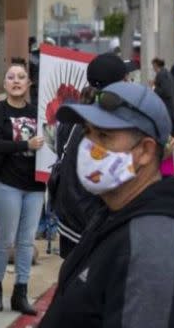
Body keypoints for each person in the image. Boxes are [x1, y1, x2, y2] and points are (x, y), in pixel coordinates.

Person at [41, 82, 174, 327]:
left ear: (145, 151)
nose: (88, 146)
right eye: (87, 132)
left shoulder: (152, 242)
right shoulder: (112, 213)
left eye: (104, 135)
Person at [48, 53, 127, 258]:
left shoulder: (73, 116)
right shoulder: (109, 124)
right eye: (126, 80)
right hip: (92, 227)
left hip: (70, 220)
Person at [0, 58, 44, 315]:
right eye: (11, 77)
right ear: (5, 83)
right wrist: (25, 146)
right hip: (6, 183)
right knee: (7, 239)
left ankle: (21, 291)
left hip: (35, 186)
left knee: (27, 241)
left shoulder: (37, 112)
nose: (16, 81)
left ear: (29, 83)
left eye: (21, 77)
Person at [151, 58, 174, 136]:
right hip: (172, 105)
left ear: (156, 65)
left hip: (168, 107)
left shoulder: (161, 74)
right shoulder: (166, 72)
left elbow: (165, 91)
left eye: (153, 66)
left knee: (166, 132)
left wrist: (153, 87)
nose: (153, 68)